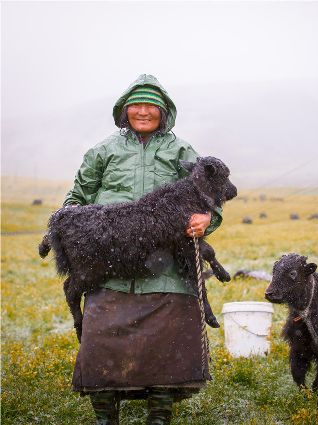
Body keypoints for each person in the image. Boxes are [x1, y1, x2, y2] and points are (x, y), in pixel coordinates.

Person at [64, 74, 223, 424]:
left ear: (164, 112)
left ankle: (159, 415)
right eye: (136, 105)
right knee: (102, 340)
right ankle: (105, 415)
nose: (143, 112)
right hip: (109, 264)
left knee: (165, 344)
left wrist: (206, 219)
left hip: (165, 268)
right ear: (124, 110)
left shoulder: (182, 152)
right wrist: (75, 226)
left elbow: (210, 197)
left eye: (151, 106)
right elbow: (76, 198)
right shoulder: (103, 151)